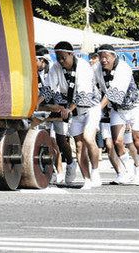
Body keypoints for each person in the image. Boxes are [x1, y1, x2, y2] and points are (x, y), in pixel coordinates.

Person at [50, 42, 103, 190]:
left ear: (71, 54)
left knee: (88, 138)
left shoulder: (83, 66)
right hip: (75, 112)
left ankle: (95, 171)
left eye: (63, 57)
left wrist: (68, 109)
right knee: (79, 146)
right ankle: (87, 179)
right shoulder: (56, 67)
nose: (61, 61)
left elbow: (83, 94)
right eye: (58, 58)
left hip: (91, 107)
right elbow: (49, 88)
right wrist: (37, 103)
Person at [96, 44, 139, 185]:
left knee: (138, 140)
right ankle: (128, 170)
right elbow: (91, 83)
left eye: (106, 57)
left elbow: (114, 91)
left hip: (134, 107)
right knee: (117, 142)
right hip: (117, 109)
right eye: (101, 57)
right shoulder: (97, 69)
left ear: (114, 56)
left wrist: (98, 108)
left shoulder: (124, 68)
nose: (103, 60)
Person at [35, 44, 77, 185]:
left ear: (42, 60)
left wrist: (60, 108)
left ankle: (70, 163)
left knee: (60, 141)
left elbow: (54, 91)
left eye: (35, 60)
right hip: (44, 108)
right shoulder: (34, 72)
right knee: (46, 140)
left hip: (60, 108)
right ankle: (52, 171)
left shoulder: (54, 68)